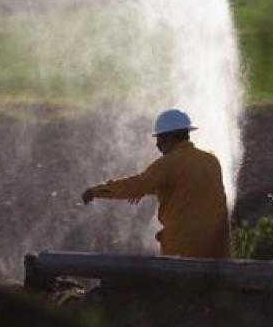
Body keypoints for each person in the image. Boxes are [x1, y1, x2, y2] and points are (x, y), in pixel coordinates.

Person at [81, 109, 230, 259]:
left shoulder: (168, 163)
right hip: (217, 250)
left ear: (169, 137)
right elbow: (186, 187)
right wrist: (149, 189)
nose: (157, 145)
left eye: (159, 139)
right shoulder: (211, 161)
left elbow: (136, 185)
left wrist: (97, 191)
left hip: (183, 249)